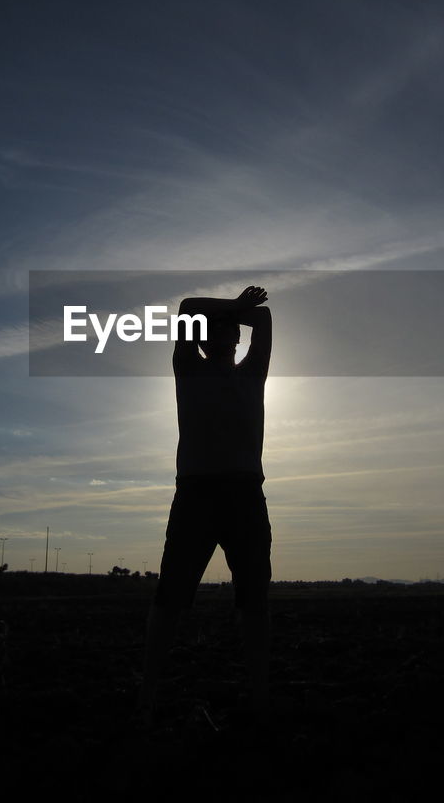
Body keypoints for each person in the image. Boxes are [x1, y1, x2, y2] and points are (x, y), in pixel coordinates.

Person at [137, 284, 273, 720]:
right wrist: (235, 307)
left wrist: (235, 313)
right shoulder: (187, 369)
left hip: (244, 494)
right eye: (217, 332)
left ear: (236, 340)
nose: (227, 337)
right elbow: (187, 308)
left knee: (254, 599)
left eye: (231, 331)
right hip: (196, 494)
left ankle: (260, 694)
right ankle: (149, 693)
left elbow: (265, 321)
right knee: (171, 595)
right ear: (201, 338)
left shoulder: (252, 373)